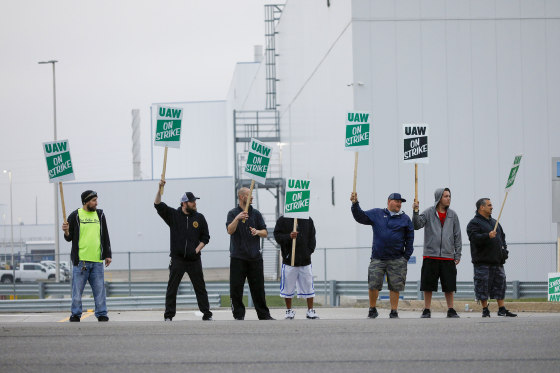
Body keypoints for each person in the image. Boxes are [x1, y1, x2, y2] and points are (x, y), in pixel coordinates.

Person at [154, 180, 213, 321]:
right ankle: (168, 315)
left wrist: (197, 250)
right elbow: (157, 205)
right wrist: (159, 188)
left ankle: (207, 313)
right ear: (184, 203)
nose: (195, 203)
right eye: (192, 202)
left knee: (200, 287)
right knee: (172, 288)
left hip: (194, 259)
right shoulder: (173, 215)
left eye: (195, 201)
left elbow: (206, 237)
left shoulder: (200, 218)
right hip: (178, 259)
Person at [351, 192, 414, 319]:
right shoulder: (377, 213)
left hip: (397, 259)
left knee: (395, 287)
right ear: (389, 201)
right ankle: (372, 309)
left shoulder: (405, 219)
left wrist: (405, 257)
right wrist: (355, 204)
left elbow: (410, 238)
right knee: (373, 284)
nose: (399, 204)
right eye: (397, 201)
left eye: (401, 202)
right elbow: (360, 217)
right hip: (377, 258)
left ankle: (394, 311)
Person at [62, 190, 112, 322]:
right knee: (77, 292)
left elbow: (105, 236)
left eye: (96, 200)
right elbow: (69, 238)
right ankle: (75, 314)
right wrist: (66, 231)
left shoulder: (100, 215)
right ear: (86, 202)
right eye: (94, 200)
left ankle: (102, 313)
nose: (96, 203)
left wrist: (107, 254)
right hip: (81, 262)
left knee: (100, 290)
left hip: (97, 261)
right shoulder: (75, 215)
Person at [412, 188, 462, 318]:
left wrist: (458, 254)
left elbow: (457, 235)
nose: (448, 198)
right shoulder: (428, 212)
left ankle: (451, 309)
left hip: (448, 255)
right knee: (428, 285)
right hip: (430, 255)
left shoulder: (453, 215)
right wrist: (415, 211)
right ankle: (427, 309)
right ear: (439, 198)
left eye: (449, 196)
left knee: (449, 285)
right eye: (446, 196)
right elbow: (417, 225)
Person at [226, 187, 274, 320]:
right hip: (238, 257)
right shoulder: (232, 213)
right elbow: (230, 230)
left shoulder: (256, 214)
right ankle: (238, 315)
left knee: (258, 289)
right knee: (236, 289)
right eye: (249, 195)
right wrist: (237, 218)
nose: (252, 197)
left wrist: (257, 232)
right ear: (241, 197)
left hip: (255, 257)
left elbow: (265, 232)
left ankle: (264, 315)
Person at [467, 198, 517, 317]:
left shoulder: (495, 222)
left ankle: (502, 309)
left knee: (500, 284)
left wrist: (504, 250)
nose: (492, 207)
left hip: (497, 261)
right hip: (482, 262)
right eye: (489, 205)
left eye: (491, 205)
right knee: (482, 285)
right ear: (481, 207)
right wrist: (487, 235)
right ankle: (485, 309)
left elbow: (502, 238)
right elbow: (474, 238)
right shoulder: (474, 223)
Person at [274, 215, 319, 320]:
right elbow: (277, 236)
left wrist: (308, 252)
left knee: (308, 285)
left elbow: (312, 237)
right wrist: (288, 236)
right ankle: (289, 310)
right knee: (288, 287)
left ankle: (310, 310)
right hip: (289, 261)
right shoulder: (282, 220)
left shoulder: (308, 220)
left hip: (305, 260)